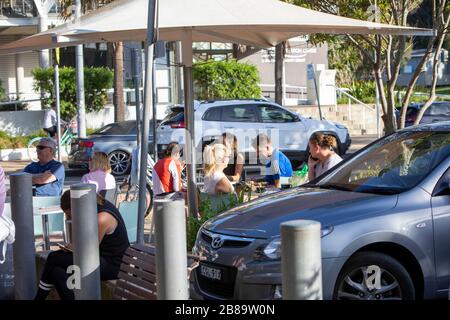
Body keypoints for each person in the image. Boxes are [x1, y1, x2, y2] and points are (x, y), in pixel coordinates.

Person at [34, 190, 130, 300]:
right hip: (99, 258)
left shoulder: (102, 218)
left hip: (113, 264)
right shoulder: (94, 208)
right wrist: (72, 247)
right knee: (56, 273)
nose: (70, 218)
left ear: (77, 207)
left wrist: (73, 247)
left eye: (70, 215)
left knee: (53, 257)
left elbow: (89, 250)